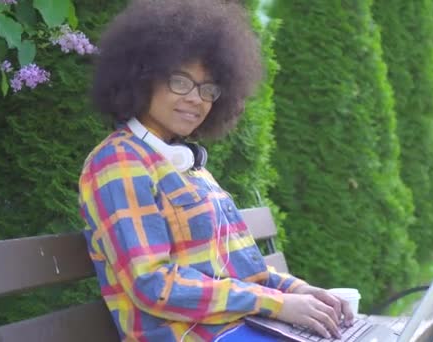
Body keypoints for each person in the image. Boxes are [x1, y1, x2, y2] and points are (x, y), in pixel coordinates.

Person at [78, 0, 354, 341]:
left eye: (208, 89)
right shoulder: (119, 163)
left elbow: (245, 273)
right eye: (181, 82)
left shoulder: (189, 166)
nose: (196, 99)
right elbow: (153, 285)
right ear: (142, 78)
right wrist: (277, 304)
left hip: (242, 329)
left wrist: (302, 291)